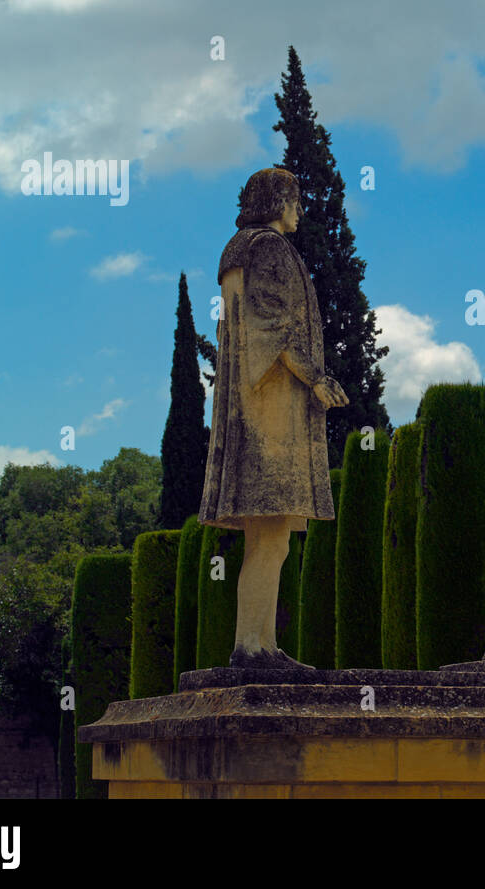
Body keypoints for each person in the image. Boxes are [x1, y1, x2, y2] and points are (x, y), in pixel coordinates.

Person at [200, 167, 348, 667]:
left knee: (273, 537)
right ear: (277, 200)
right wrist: (316, 378)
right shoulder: (267, 248)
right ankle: (251, 647)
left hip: (250, 405)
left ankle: (259, 644)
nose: (300, 209)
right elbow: (276, 330)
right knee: (270, 537)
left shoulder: (237, 250)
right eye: (295, 198)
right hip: (271, 411)